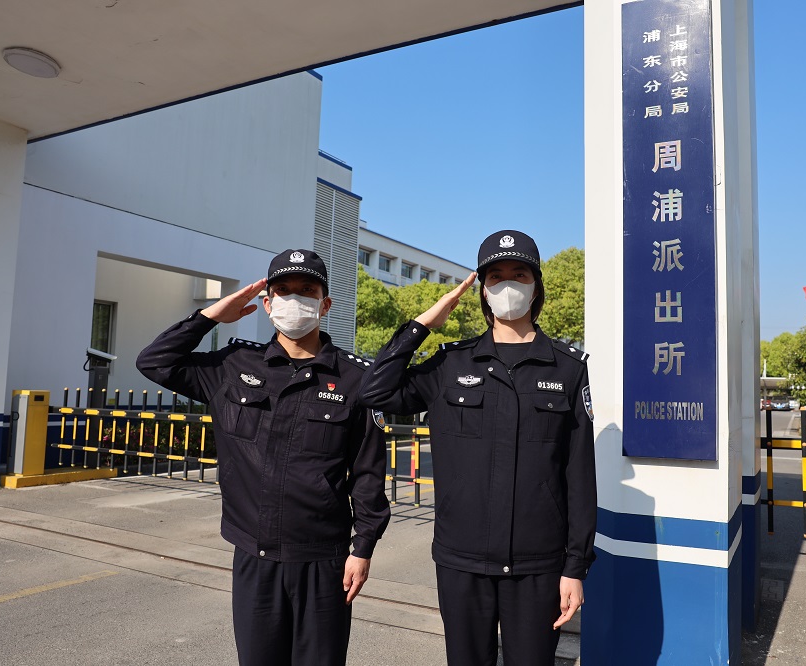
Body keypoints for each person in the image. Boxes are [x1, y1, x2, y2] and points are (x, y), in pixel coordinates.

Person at [136, 248, 390, 666]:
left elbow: (367, 473)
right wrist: (210, 316)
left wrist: (362, 548)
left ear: (325, 304)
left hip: (324, 560)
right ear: (268, 304)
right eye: (283, 291)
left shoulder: (354, 379)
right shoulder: (233, 365)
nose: (295, 299)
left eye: (307, 290)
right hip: (254, 557)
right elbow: (154, 362)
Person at [359, 230, 596, 666]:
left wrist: (575, 567)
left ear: (536, 286)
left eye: (519, 274)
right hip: (461, 559)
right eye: (496, 276)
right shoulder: (450, 363)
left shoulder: (567, 368)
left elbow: (579, 476)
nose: (508, 285)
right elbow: (374, 391)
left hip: (538, 563)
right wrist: (422, 325)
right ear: (483, 290)